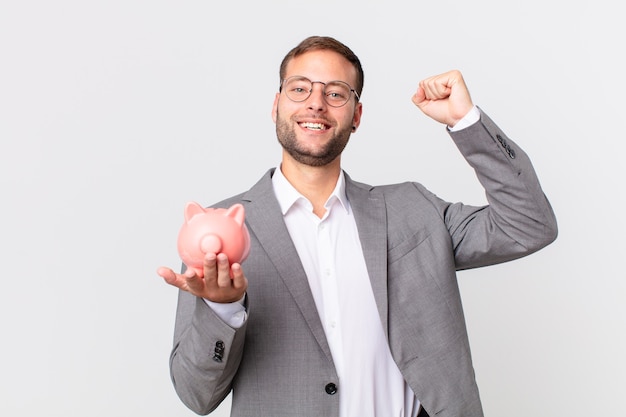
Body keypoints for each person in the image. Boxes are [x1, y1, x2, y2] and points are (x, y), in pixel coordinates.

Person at [157, 35, 557, 417]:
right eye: (300, 89)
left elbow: (529, 224)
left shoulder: (413, 209)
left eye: (335, 93)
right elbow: (197, 395)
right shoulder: (219, 230)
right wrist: (222, 308)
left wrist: (465, 122)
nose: (316, 104)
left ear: (356, 115)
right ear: (276, 105)